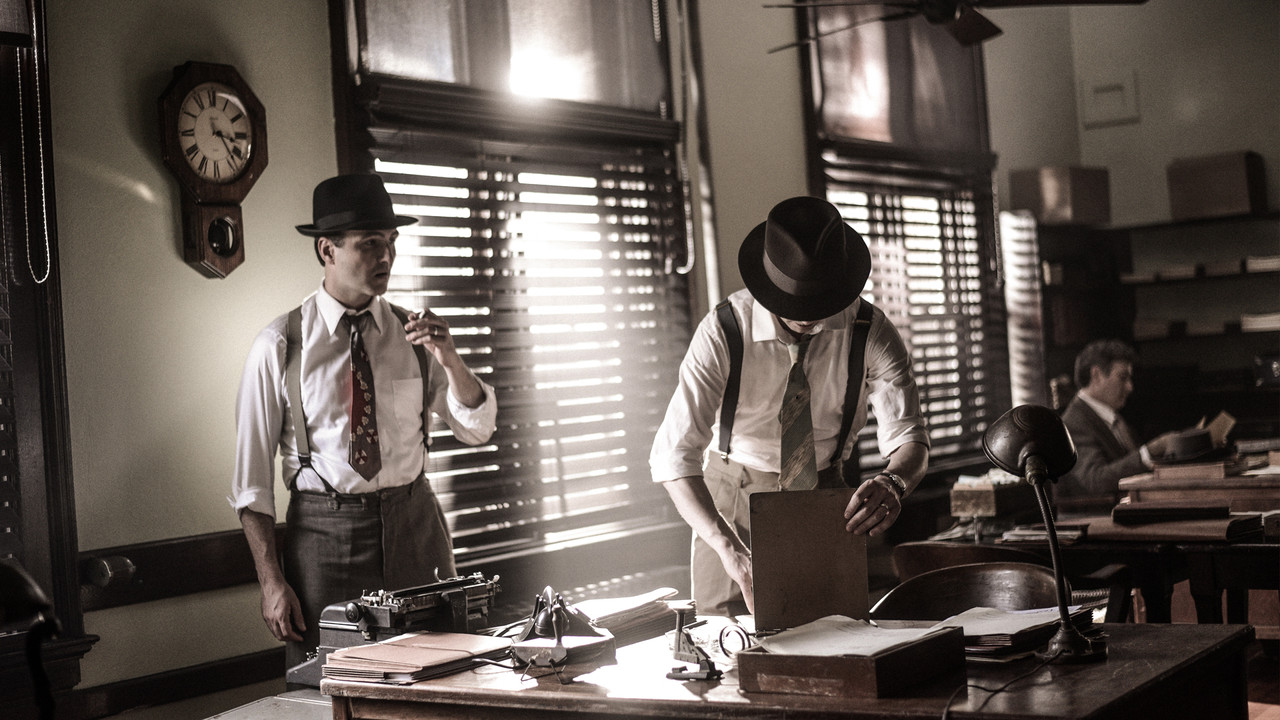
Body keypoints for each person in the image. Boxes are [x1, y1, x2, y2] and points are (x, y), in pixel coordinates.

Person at [230, 174, 497, 668]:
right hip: (325, 538)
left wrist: (451, 359)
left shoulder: (414, 335)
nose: (386, 256)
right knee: (331, 685)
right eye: (370, 243)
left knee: (441, 677)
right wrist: (271, 582)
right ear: (327, 250)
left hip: (417, 528)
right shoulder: (280, 345)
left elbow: (476, 428)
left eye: (391, 242)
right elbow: (251, 487)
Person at [649, 196, 930, 617]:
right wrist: (729, 549)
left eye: (819, 304)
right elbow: (673, 456)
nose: (807, 318)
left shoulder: (870, 331)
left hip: (826, 498)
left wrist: (894, 482)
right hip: (731, 502)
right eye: (794, 304)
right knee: (726, 641)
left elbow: (910, 439)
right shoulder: (723, 331)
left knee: (835, 635)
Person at [1056, 339, 1174, 505]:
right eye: (1123, 378)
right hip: (1099, 515)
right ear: (1096, 375)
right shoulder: (1073, 423)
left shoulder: (1112, 417)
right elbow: (1096, 480)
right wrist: (1149, 453)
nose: (1130, 387)